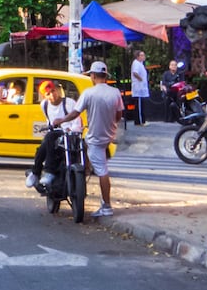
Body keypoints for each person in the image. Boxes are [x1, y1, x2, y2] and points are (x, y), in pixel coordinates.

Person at [52, 60, 123, 217]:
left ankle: (106, 206)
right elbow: (119, 114)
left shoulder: (89, 93)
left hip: (95, 138)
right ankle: (84, 174)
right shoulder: (115, 92)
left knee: (102, 171)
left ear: (92, 75)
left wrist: (61, 120)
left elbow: (75, 113)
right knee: (89, 156)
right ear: (105, 75)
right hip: (108, 135)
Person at [25, 81, 82, 189]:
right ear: (44, 96)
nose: (52, 95)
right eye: (48, 94)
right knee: (44, 145)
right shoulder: (44, 105)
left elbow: (77, 121)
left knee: (49, 138)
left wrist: (72, 129)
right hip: (55, 135)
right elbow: (49, 121)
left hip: (70, 135)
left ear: (57, 90)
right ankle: (36, 173)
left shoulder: (69, 103)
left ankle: (48, 171)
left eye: (53, 91)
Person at [130, 50, 149, 126]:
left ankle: (140, 120)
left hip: (142, 87)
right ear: (138, 56)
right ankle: (140, 121)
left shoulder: (141, 64)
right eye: (142, 55)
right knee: (139, 106)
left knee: (141, 105)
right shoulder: (136, 63)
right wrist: (140, 79)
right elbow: (135, 73)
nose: (144, 57)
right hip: (138, 88)